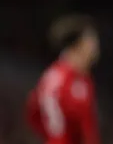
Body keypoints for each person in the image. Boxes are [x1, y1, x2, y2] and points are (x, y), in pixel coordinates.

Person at [25, 14, 101, 144]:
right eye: (91, 40)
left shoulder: (85, 81)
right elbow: (42, 119)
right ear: (78, 44)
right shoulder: (56, 80)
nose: (95, 46)